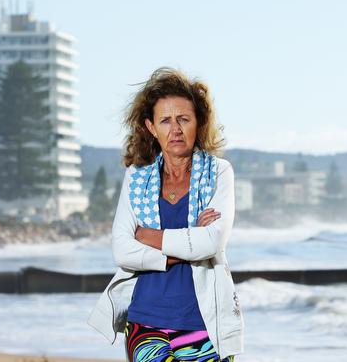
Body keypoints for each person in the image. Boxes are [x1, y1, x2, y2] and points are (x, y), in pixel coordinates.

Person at [87, 67, 244, 362]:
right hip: (145, 321)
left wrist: (149, 237)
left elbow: (211, 243)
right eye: (166, 121)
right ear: (150, 126)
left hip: (205, 324)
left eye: (184, 119)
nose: (176, 129)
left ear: (198, 123)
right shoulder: (136, 178)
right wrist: (187, 244)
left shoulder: (219, 173)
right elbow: (122, 251)